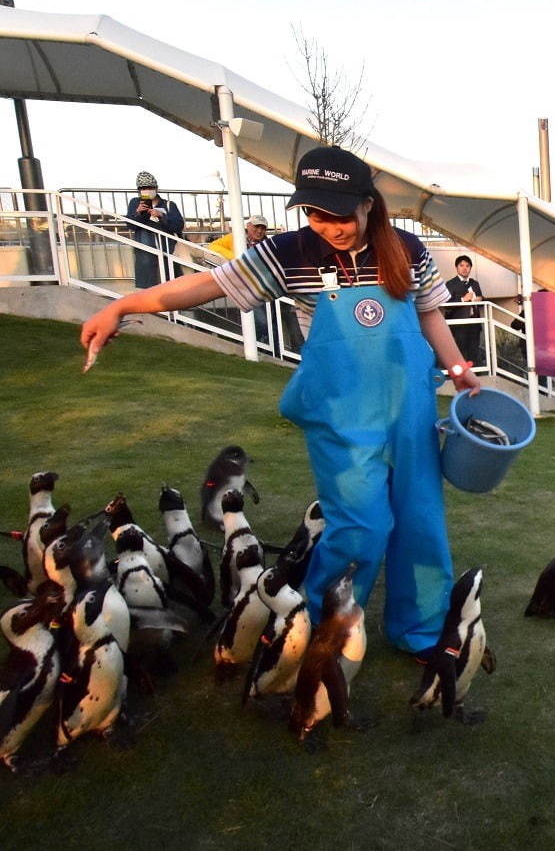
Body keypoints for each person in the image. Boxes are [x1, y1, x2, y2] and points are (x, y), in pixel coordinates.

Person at [80, 146, 479, 657]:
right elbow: (208, 285)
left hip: (411, 411)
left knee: (422, 523)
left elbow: (430, 316)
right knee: (361, 528)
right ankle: (322, 625)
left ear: (367, 204)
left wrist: (462, 371)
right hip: (340, 416)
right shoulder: (288, 253)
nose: (328, 226)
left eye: (339, 215)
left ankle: (418, 630)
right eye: (315, 214)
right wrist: (123, 304)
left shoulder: (407, 250)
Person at [125, 171, 185, 289]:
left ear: (156, 188)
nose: (146, 190)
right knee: (149, 286)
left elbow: (178, 226)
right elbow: (130, 225)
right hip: (145, 253)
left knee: (170, 284)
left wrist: (161, 215)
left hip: (167, 250)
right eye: (142, 188)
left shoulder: (169, 205)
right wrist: (138, 212)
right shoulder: (135, 202)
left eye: (149, 187)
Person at [444, 255, 484, 365]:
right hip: (459, 326)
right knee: (460, 354)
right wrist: (463, 299)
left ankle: (474, 377)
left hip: (475, 324)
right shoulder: (450, 284)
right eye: (461, 265)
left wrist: (480, 299)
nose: (465, 268)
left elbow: (482, 301)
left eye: (467, 266)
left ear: (471, 268)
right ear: (456, 267)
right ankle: (462, 378)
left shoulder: (474, 283)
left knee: (473, 354)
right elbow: (446, 304)